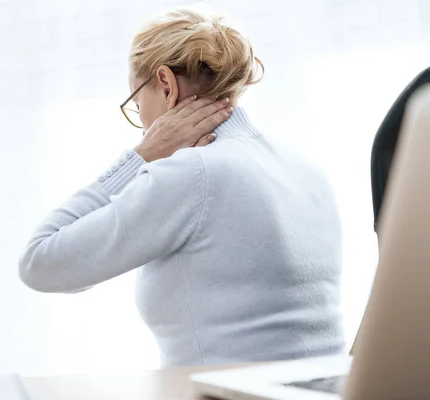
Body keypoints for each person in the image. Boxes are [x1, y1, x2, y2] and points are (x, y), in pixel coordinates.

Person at [19, 9, 345, 366]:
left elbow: (40, 261)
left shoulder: (192, 172)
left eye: (137, 105)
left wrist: (142, 156)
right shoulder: (308, 173)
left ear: (166, 85)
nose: (143, 124)